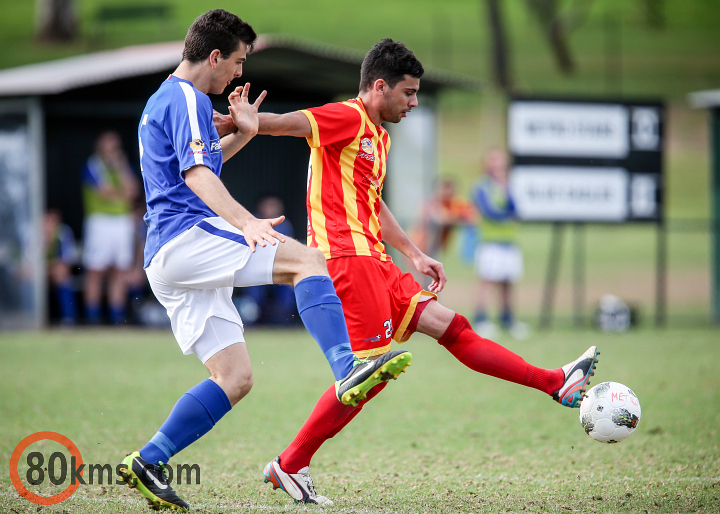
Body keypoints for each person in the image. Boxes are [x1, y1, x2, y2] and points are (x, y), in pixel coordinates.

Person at [234, 38, 600, 505]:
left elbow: (370, 200)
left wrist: (413, 252)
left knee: (453, 327)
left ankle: (554, 381)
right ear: (380, 86)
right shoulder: (347, 116)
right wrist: (250, 121)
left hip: (378, 262)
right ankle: (289, 464)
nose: (414, 101)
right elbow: (292, 123)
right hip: (347, 260)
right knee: (365, 377)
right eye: (408, 92)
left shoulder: (377, 136)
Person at [116, 11, 411, 512]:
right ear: (214, 57)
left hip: (167, 256)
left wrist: (246, 131)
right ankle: (346, 368)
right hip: (186, 238)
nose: (237, 73)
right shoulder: (188, 97)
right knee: (308, 259)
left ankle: (149, 459)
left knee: (235, 378)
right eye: (237, 61)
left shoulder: (164, 100)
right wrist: (247, 221)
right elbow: (195, 178)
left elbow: (203, 163)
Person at [80, 130, 139, 324]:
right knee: (96, 270)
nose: (112, 150)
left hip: (121, 222)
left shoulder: (122, 165)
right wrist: (123, 193)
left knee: (120, 270)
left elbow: (133, 191)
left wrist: (121, 168)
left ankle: (116, 318)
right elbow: (105, 191)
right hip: (100, 221)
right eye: (108, 145)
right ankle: (93, 318)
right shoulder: (93, 165)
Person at [471, 149, 529, 340]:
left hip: (509, 241)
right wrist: (508, 214)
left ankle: (508, 319)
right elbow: (490, 212)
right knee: (487, 280)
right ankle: (481, 319)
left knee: (508, 282)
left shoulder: (510, 185)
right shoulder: (482, 186)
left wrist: (506, 192)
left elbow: (516, 208)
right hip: (490, 241)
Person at [44, 209, 78, 325]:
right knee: (28, 277)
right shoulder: (31, 231)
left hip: (54, 271)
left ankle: (68, 318)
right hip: (36, 272)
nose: (50, 224)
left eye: (54, 221)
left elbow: (67, 261)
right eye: (47, 220)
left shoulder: (64, 232)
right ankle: (26, 318)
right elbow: (27, 261)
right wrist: (45, 241)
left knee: (63, 276)